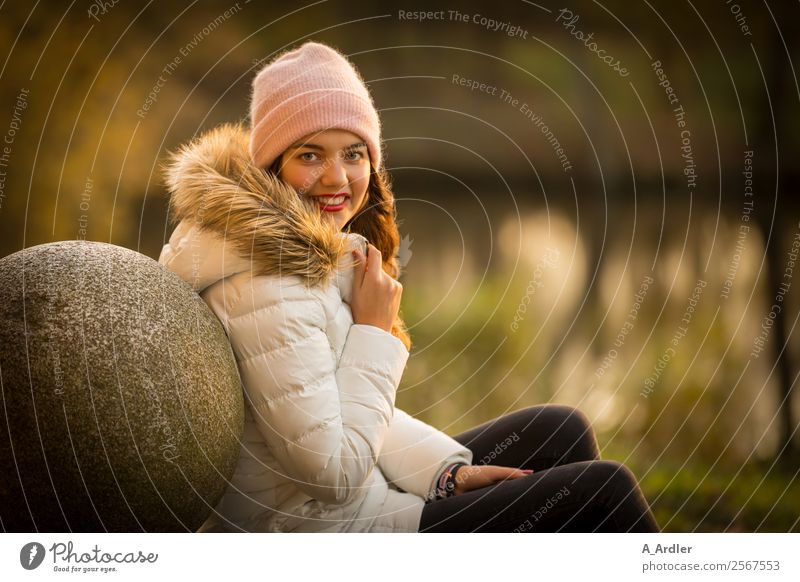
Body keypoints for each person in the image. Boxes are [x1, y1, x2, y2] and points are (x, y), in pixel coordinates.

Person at [158, 41, 658, 533]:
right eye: (310, 155)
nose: (337, 177)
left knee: (560, 430)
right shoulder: (268, 286)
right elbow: (336, 475)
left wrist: (447, 475)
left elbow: (332, 411)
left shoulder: (283, 250)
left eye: (353, 154)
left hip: (357, 504)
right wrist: (372, 334)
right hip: (323, 533)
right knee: (603, 490)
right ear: (273, 166)